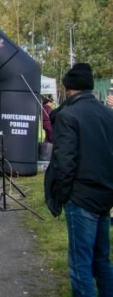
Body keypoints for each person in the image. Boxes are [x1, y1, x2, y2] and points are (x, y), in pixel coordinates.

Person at [45, 63, 113, 296]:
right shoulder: (107, 113)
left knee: (80, 263)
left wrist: (62, 195)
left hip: (81, 196)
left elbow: (65, 160)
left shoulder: (68, 115)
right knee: (101, 259)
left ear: (68, 88)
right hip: (104, 193)